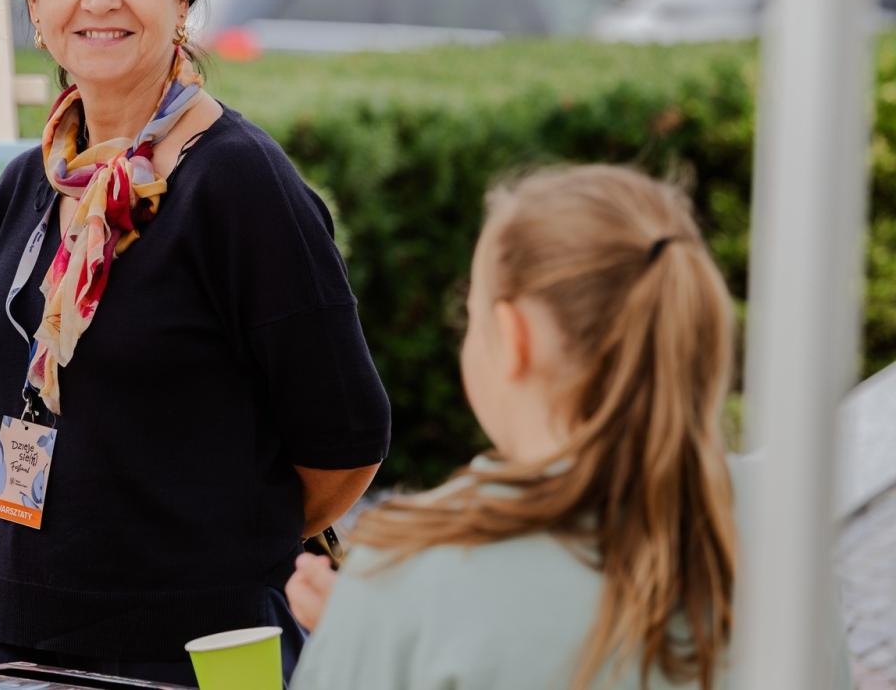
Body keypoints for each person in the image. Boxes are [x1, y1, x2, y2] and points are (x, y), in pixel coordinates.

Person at [0, 0, 391, 684]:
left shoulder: (238, 182)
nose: (99, 0)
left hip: (199, 648)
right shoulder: (30, 184)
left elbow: (346, 441)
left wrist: (215, 548)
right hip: (23, 636)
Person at [289, 164, 825, 690]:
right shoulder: (784, 527)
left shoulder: (408, 576)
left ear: (513, 336)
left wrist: (362, 637)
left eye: (471, 312)